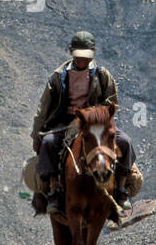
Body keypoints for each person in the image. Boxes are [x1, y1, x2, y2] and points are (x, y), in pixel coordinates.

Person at [31, 31, 135, 218]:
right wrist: (36, 134)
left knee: (125, 141)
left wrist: (93, 115)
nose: (82, 61)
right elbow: (44, 108)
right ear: (71, 51)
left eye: (86, 57)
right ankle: (53, 190)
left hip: (96, 122)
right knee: (48, 143)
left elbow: (112, 102)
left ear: (93, 54)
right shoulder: (58, 77)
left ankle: (120, 188)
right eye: (78, 57)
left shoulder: (102, 75)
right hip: (65, 120)